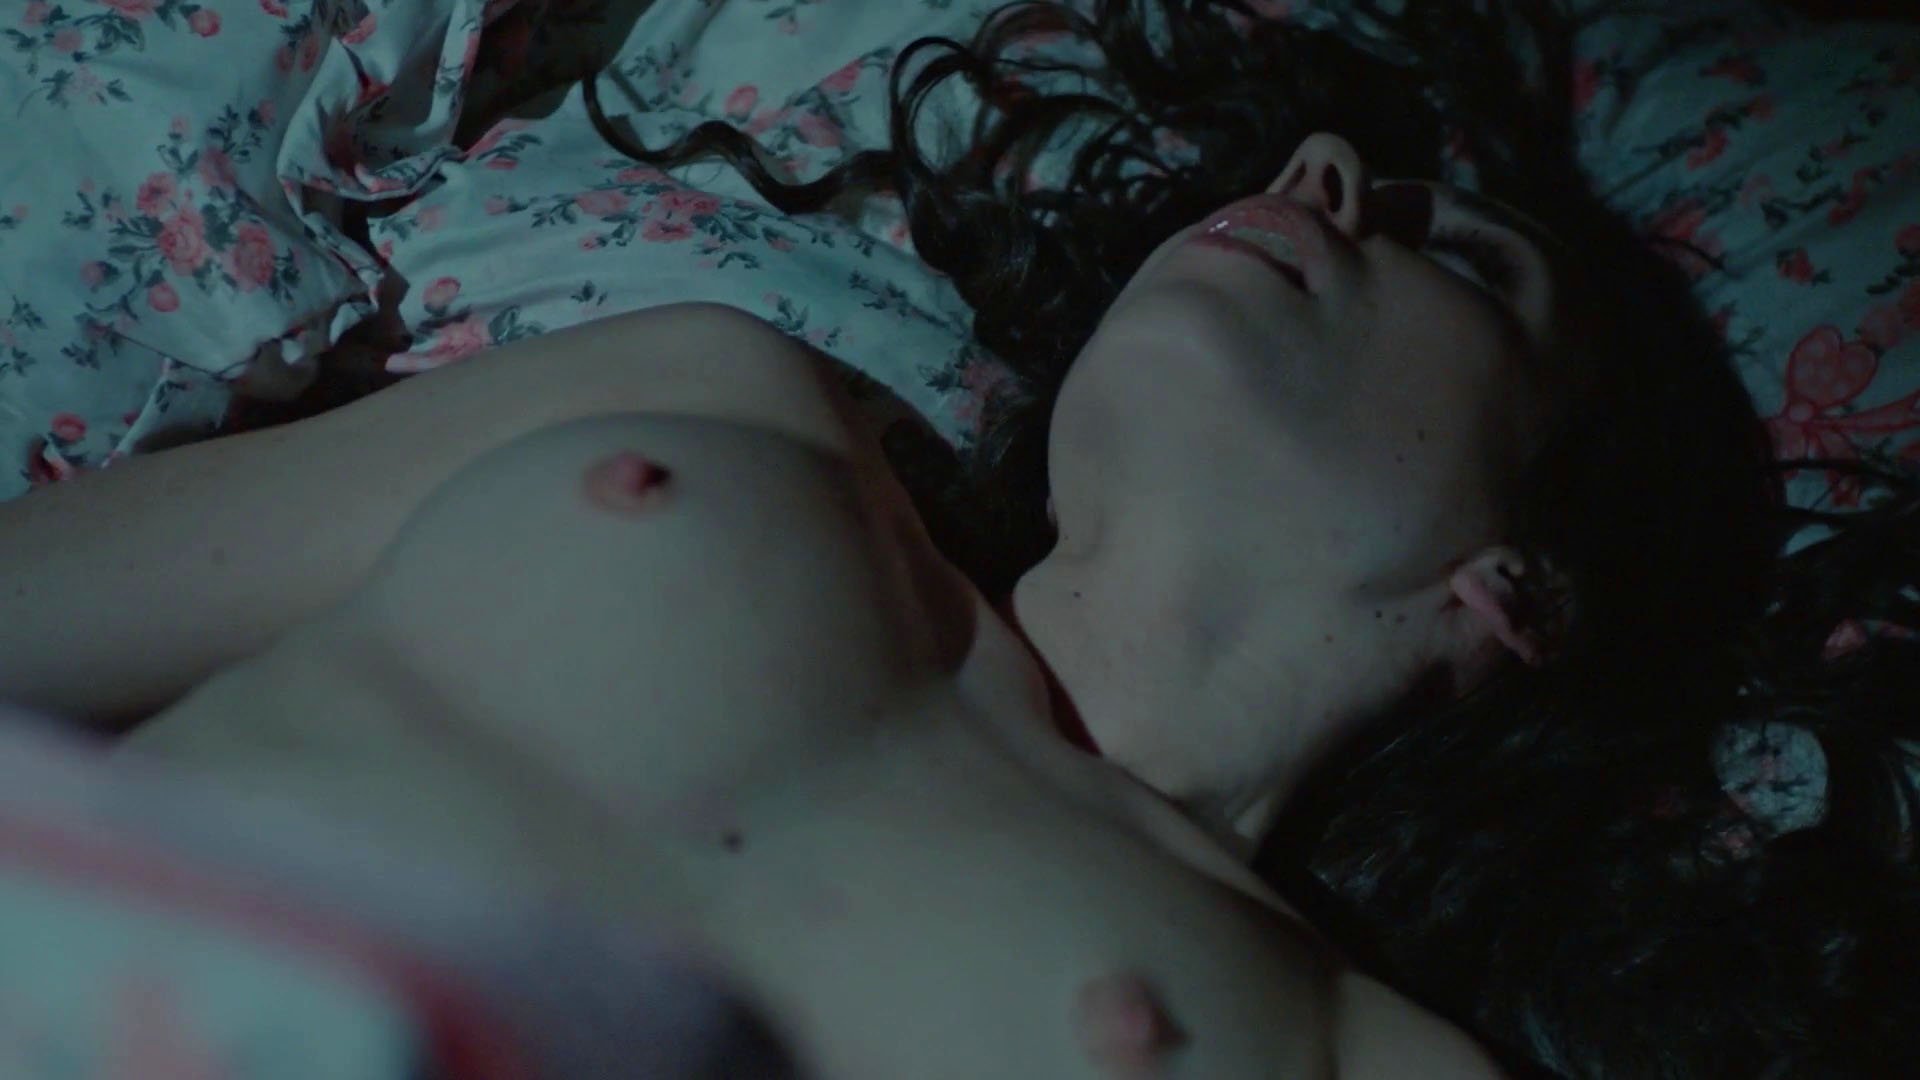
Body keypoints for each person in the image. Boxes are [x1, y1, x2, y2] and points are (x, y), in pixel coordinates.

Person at [0, 0, 1912, 1075]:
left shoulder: (1344, 1053)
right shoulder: (707, 395)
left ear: (1522, 589)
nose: (1327, 176)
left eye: (1464, 260)